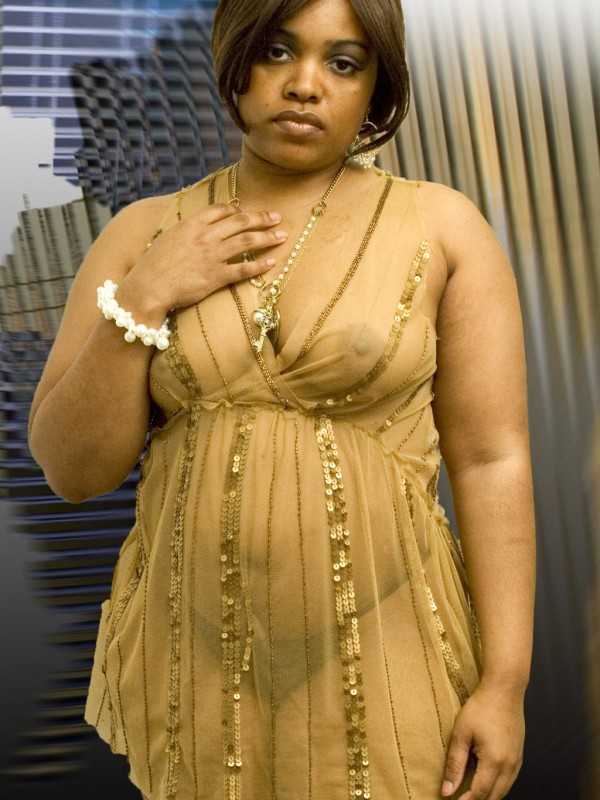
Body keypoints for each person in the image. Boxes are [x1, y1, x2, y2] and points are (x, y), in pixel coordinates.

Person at [28, 0, 536, 798]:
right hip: (192, 673)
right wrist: (146, 296)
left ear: (377, 87)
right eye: (277, 51)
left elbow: (490, 460)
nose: (305, 84)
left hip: (395, 656)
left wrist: (505, 685)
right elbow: (72, 471)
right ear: (236, 62)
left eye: (344, 62)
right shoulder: (142, 233)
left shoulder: (441, 227)